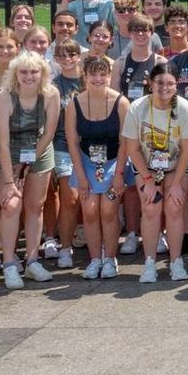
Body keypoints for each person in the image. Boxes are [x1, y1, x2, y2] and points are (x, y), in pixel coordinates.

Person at [122, 69, 188, 282]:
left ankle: (176, 261)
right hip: (146, 165)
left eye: (170, 84)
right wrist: (148, 181)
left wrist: (175, 184)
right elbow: (133, 148)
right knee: (150, 207)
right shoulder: (137, 108)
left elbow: (187, 150)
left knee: (174, 206)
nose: (164, 88)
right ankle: (149, 262)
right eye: (159, 83)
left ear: (176, 86)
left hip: (178, 166)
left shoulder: (185, 108)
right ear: (150, 83)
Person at [0, 50, 60, 287]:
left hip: (39, 149)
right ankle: (9, 263)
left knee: (35, 205)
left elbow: (49, 133)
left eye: (34, 71)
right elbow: (1, 142)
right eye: (23, 72)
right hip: (9, 151)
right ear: (15, 74)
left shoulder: (51, 94)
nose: (29, 76)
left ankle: (32, 260)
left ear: (42, 73)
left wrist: (28, 164)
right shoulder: (4, 98)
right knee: (11, 204)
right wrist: (11, 179)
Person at [65, 56, 127, 280]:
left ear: (109, 76)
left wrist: (119, 174)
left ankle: (110, 258)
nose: (98, 79)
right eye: (93, 74)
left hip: (113, 163)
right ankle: (95, 259)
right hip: (87, 163)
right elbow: (72, 142)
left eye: (103, 74)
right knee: (90, 211)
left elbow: (126, 142)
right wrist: (81, 177)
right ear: (85, 76)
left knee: (108, 211)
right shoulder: (74, 103)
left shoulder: (121, 103)